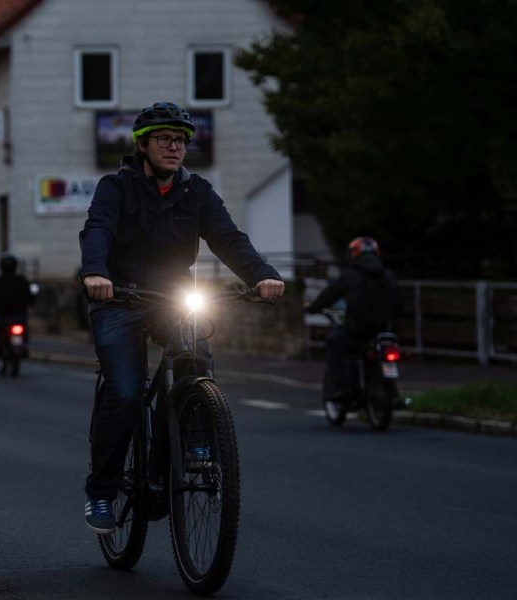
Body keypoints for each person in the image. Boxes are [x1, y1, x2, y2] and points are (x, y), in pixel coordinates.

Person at [78, 101, 285, 534]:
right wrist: (96, 272)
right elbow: (97, 228)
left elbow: (228, 238)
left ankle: (188, 451)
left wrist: (263, 274)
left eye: (181, 140)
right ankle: (101, 490)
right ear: (143, 145)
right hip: (118, 297)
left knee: (195, 358)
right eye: (164, 139)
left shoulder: (197, 192)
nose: (174, 147)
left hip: (171, 296)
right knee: (128, 391)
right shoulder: (116, 187)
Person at [305, 236, 404, 401]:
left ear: (353, 255)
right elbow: (401, 302)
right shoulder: (388, 275)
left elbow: (328, 296)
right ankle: (392, 392)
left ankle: (341, 387)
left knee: (335, 342)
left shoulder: (350, 275)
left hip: (359, 330)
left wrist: (312, 308)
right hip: (386, 330)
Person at [0, 254, 35, 356]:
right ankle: (23, 344)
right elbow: (30, 295)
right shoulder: (22, 280)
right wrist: (30, 304)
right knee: (24, 326)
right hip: (19, 313)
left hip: (2, 313)